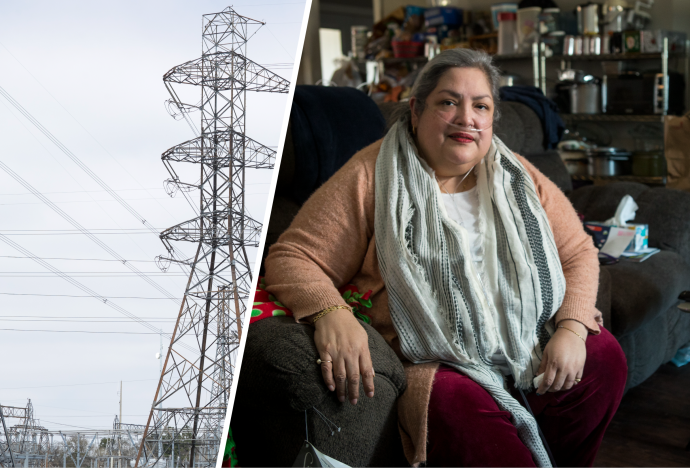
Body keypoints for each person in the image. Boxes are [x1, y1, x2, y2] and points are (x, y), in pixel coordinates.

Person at [263, 48, 627, 467]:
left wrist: (573, 328)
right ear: (416, 110)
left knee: (605, 359)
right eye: (449, 102)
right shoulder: (370, 175)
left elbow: (579, 250)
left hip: (528, 338)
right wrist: (331, 312)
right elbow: (293, 255)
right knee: (459, 409)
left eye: (481, 106)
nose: (466, 118)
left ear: (492, 119)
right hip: (439, 361)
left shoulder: (517, 174)